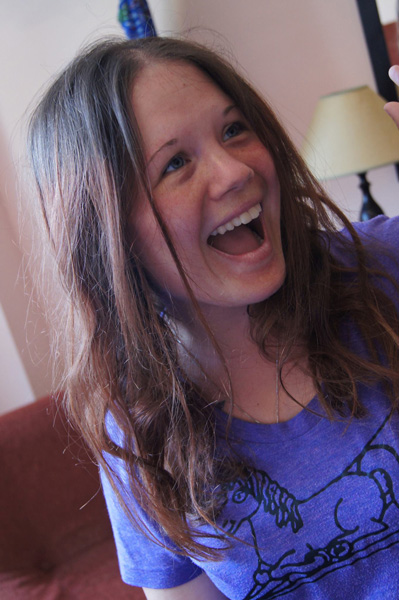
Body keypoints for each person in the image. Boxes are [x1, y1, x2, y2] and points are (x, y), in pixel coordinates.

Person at [28, 36, 399, 599]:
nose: (233, 172)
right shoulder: (139, 427)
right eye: (174, 163)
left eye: (234, 129)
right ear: (108, 232)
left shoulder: (385, 267)